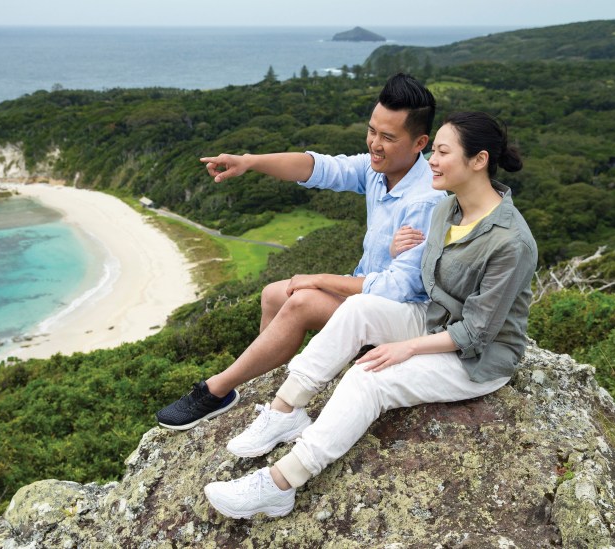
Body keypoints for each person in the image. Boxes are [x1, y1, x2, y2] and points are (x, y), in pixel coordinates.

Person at [203, 111, 538, 519]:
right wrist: (402, 252)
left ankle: (280, 483)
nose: (431, 160)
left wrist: (406, 348)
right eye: (433, 150)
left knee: (369, 376)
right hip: (434, 318)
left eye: (443, 152)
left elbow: (478, 332)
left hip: (477, 357)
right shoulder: (445, 210)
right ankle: (285, 411)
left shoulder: (511, 241)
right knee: (359, 308)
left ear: (479, 160)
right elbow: (424, 277)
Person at [155, 74, 446, 430]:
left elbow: (396, 289)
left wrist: (319, 279)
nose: (375, 144)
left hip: (401, 313)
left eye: (388, 137)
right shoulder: (379, 171)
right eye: (372, 131)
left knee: (300, 301)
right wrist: (249, 162)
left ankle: (217, 389)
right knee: (273, 294)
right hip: (366, 297)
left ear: (420, 142)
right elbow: (317, 167)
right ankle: (267, 387)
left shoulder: (426, 199)